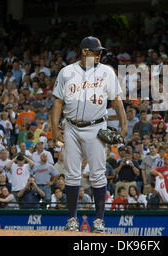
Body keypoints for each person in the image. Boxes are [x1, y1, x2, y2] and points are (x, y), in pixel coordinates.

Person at [51, 36, 127, 233]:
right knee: (71, 175)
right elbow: (58, 102)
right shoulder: (67, 72)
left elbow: (116, 100)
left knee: (98, 175)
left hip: (96, 127)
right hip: (71, 127)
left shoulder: (106, 72)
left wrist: (124, 125)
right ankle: (72, 220)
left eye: (101, 51)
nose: (100, 54)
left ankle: (99, 221)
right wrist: (54, 129)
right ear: (85, 51)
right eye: (97, 51)